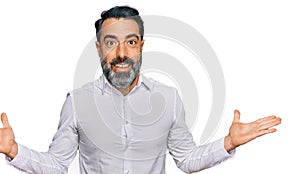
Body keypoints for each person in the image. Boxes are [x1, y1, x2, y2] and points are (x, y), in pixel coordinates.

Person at [0, 6, 281, 174]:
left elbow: (185, 159)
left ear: (141, 45)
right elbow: (57, 165)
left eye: (130, 42)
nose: (121, 53)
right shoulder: (78, 102)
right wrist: (14, 151)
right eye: (111, 43)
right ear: (98, 48)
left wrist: (227, 143)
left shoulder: (168, 98)